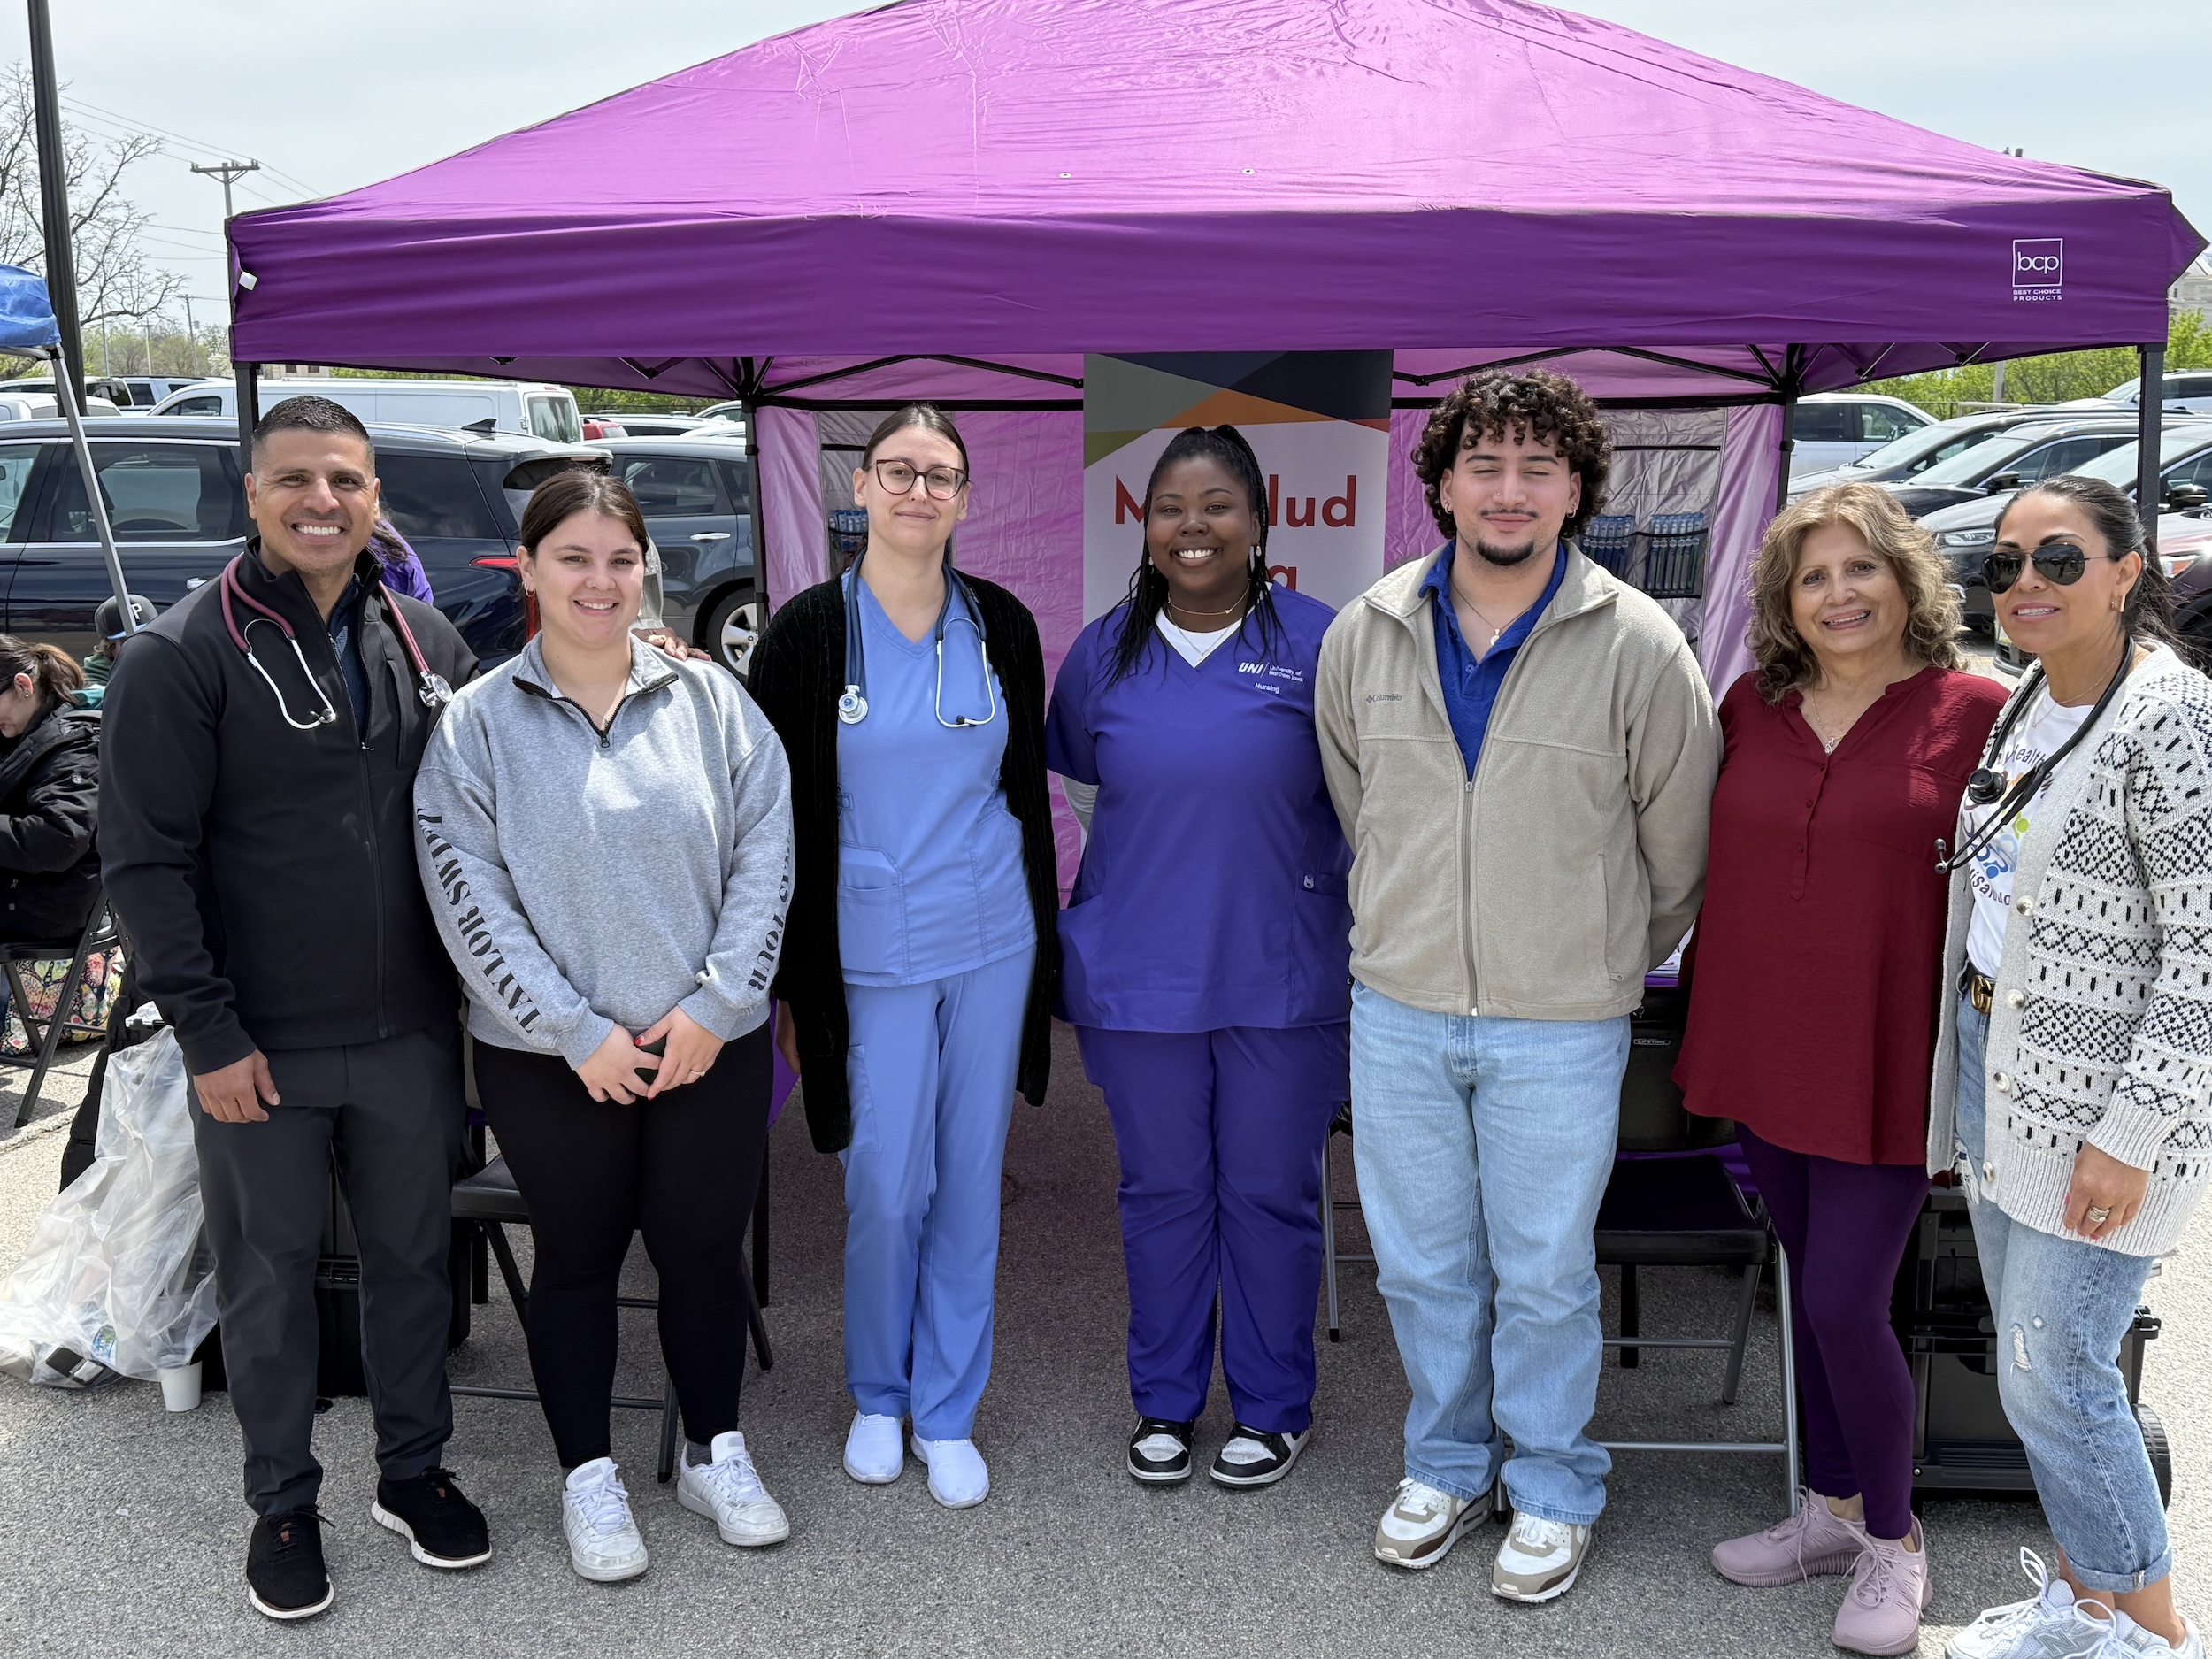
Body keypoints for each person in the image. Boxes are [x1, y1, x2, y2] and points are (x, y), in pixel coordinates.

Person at [1314, 368, 1719, 1601]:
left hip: (1562, 1017)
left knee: (1543, 1269)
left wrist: (1589, 951)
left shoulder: (1639, 640)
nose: (1508, 488)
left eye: (1538, 466)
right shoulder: (1365, 627)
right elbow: (1357, 805)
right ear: (1440, 484)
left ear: (1577, 489)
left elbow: (1679, 849)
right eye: (1483, 463)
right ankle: (1445, 1460)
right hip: (1400, 1003)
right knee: (1425, 1262)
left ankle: (1552, 1480)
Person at [99, 396, 484, 1622]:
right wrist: (207, 1033)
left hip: (412, 1033)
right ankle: (282, 1500)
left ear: (377, 497)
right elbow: (144, 863)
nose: (324, 500)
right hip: (256, 1044)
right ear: (250, 493)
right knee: (265, 1279)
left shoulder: (422, 637)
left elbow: (503, 780)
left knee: (416, 1264)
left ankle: (413, 1471)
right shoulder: (182, 652)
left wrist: (652, 652)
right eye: (296, 479)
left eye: (347, 479)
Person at [414, 471, 794, 1583]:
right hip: (547, 1058)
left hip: (704, 1049)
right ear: (527, 569)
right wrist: (574, 1028)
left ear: (646, 571)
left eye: (618, 560)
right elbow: (464, 891)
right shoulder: (477, 725)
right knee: (575, 1260)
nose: (598, 580)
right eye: (572, 558)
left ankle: (711, 1452)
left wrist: (719, 1007)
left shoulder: (714, 700)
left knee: (699, 1254)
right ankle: (589, 1473)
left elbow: (766, 853)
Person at [1674, 483, 2006, 1655]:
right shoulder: (1748, 707)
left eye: (1861, 568)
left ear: (1908, 580)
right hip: (1763, 1034)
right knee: (1806, 1275)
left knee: (1840, 1297)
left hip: (1888, 1050)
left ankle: (1896, 1543)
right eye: (1814, 575)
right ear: (1784, 600)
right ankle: (1828, 1507)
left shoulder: (1977, 710)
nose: (1839, 593)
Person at [748, 404, 1058, 1510]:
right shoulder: (803, 635)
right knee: (886, 1179)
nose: (918, 491)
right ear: (862, 488)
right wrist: (785, 978)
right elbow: (766, 813)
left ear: (966, 499)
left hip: (992, 939)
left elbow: (1024, 792)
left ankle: (947, 1407)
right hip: (867, 945)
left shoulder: (1003, 627)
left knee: (970, 1179)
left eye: (941, 475)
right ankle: (878, 1394)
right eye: (898, 471)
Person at [1932, 475, 2212, 1659]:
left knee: (2062, 1374)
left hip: (2101, 1105)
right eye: (2004, 565)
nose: (2028, 584)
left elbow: (2203, 953)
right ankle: (2084, 1604)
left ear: (2126, 570)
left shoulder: (2171, 716)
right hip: (2006, 1070)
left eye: (2057, 558)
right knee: (2030, 1368)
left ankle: (2152, 1629)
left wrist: (2133, 1130)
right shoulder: (2027, 703)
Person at [1045, 424, 1350, 1488]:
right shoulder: (1100, 653)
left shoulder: (1321, 642)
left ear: (1260, 523)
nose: (1193, 526)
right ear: (1143, 525)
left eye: (1217, 504)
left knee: (1270, 1192)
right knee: (1163, 1190)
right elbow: (1091, 797)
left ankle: (1272, 1406)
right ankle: (1166, 1402)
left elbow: (1357, 805)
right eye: (1170, 507)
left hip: (1281, 972)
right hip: (1140, 976)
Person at [0, 636, 103, 1007]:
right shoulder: (25, 729)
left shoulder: (75, 745)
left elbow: (59, 838)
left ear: (23, 686)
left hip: (43, 904)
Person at [81, 593, 156, 687]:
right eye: (128, 642)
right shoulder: (95, 684)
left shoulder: (169, 666)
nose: (140, 647)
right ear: (110, 647)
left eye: (148, 637)